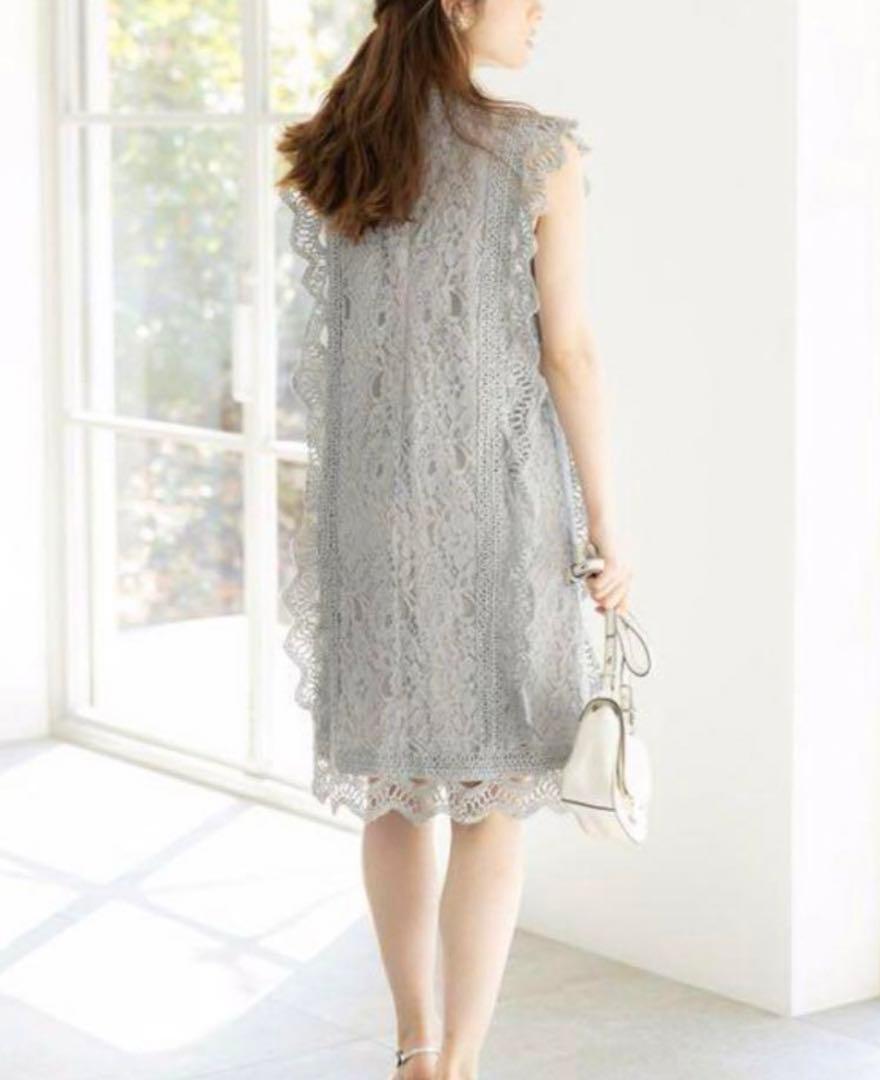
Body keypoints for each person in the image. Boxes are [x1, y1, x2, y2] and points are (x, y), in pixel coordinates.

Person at [275, 2, 632, 1076]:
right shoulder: (535, 153)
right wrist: (609, 523)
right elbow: (567, 352)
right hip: (499, 506)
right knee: (490, 803)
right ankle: (460, 1063)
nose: (540, 13)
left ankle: (413, 1046)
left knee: (394, 794)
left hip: (369, 513)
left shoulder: (342, 146)